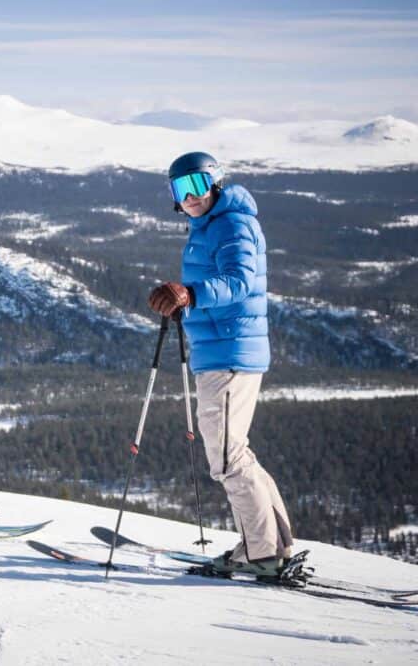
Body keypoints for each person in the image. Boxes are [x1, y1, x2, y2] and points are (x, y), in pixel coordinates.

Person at [148, 151, 294, 578]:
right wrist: (186, 302)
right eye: (180, 189)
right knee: (237, 454)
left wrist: (190, 295)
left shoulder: (232, 223)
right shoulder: (208, 225)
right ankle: (273, 543)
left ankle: (261, 552)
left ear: (215, 183)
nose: (189, 197)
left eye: (196, 185)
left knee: (227, 459)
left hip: (230, 356)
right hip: (223, 353)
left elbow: (239, 280)